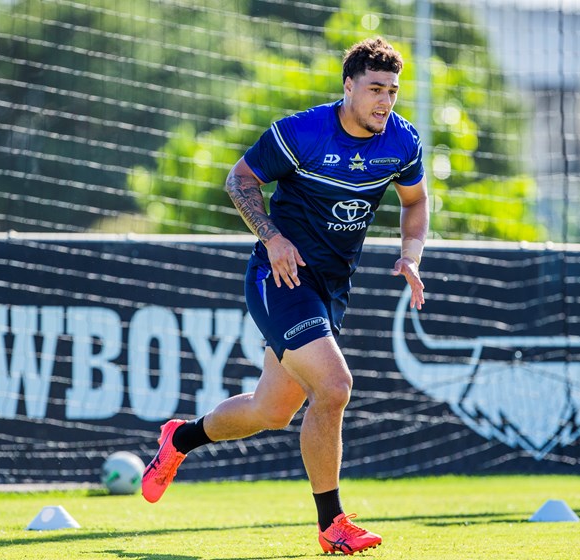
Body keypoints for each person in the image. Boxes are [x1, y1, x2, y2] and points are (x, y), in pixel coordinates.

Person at [141, 37, 429, 554]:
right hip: (282, 277)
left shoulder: (402, 141)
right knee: (335, 387)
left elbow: (416, 201)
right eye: (374, 89)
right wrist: (273, 238)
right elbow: (239, 180)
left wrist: (411, 255)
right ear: (348, 86)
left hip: (331, 287)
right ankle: (332, 523)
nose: (385, 101)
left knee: (270, 410)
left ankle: (179, 439)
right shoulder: (302, 132)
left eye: (392, 90)